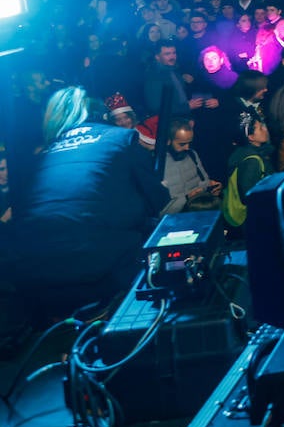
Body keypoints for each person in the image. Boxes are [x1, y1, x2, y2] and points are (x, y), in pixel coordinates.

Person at [8, 87, 167, 314]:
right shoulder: (121, 138)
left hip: (36, 271)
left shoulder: (44, 155)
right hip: (100, 265)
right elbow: (157, 200)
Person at [222, 112, 275, 234]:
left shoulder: (244, 152)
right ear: (250, 137)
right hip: (252, 220)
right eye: (260, 128)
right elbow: (250, 195)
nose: (265, 129)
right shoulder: (252, 161)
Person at [161, 118, 221, 214]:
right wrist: (187, 198)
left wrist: (212, 187)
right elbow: (160, 210)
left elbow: (204, 181)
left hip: (198, 212)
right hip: (175, 219)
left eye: (189, 143)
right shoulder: (158, 164)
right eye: (182, 144)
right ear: (168, 141)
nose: (187, 147)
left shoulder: (192, 154)